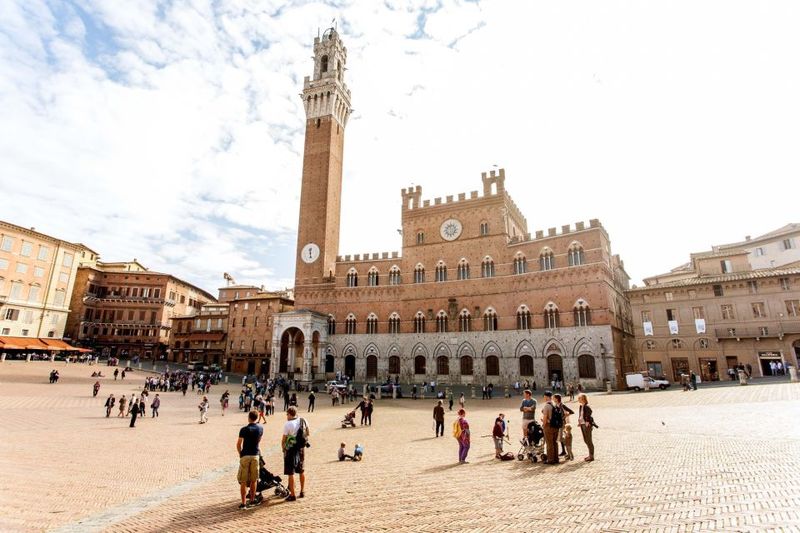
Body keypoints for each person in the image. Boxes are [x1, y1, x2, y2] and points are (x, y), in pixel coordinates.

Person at [236, 410, 263, 509]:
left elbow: (238, 444)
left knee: (243, 481)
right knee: (254, 480)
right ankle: (252, 500)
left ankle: (243, 503)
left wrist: (241, 454)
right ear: (257, 418)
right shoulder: (260, 428)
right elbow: (258, 441)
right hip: (255, 455)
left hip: (245, 455)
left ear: (249, 418)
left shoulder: (243, 429)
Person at [282, 406, 307, 502]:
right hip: (300, 449)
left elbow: (283, 440)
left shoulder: (288, 424)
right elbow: (307, 433)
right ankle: (302, 491)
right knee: (301, 471)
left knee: (290, 473)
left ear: (289, 414)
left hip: (291, 449)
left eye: (287, 414)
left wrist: (284, 449)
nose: (286, 416)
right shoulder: (303, 420)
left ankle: (292, 495)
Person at [541, 391, 559, 464]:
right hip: (556, 426)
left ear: (546, 397)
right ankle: (556, 458)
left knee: (549, 443)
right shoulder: (555, 404)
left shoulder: (547, 406)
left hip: (549, 426)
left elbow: (545, 417)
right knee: (555, 443)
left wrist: (543, 424)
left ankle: (550, 459)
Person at [577, 393, 595, 461]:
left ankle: (591, 456)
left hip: (586, 425)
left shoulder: (586, 406)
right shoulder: (581, 406)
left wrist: (587, 421)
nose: (578, 399)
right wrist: (579, 422)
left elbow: (590, 412)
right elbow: (581, 415)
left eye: (579, 398)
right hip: (582, 424)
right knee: (585, 440)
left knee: (589, 440)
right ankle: (590, 454)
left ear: (583, 399)